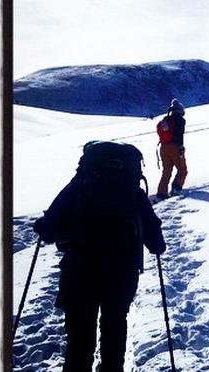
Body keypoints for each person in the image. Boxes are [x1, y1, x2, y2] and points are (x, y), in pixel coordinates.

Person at [33, 141, 166, 372]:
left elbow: (49, 230)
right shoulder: (133, 192)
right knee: (115, 328)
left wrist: (42, 225)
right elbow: (157, 244)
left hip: (79, 272)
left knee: (79, 339)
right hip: (122, 274)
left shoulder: (78, 186)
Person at [157, 98, 187, 199]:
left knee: (166, 171)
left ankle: (161, 193)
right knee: (182, 170)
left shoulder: (166, 120)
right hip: (175, 147)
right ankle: (176, 189)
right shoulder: (180, 120)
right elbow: (179, 135)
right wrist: (181, 148)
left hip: (163, 147)